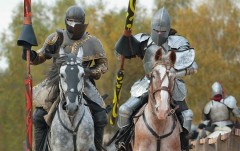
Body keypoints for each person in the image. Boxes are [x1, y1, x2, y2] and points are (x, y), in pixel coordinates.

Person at [21, 5, 108, 151]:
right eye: (70, 21)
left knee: (100, 116)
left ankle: (98, 148)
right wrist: (31, 55)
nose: (73, 25)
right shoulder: (56, 38)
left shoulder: (92, 42)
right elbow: (41, 56)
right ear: (66, 21)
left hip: (83, 82)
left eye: (77, 22)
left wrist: (90, 72)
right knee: (38, 117)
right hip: (58, 81)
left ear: (83, 22)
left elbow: (103, 65)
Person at [115, 7, 197, 151]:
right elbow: (122, 53)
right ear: (152, 28)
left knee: (187, 115)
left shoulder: (178, 43)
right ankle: (122, 143)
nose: (159, 33)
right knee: (124, 110)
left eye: (162, 30)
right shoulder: (144, 41)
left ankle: (184, 145)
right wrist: (125, 39)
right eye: (157, 30)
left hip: (170, 85)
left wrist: (172, 75)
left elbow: (192, 65)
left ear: (168, 29)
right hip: (148, 83)